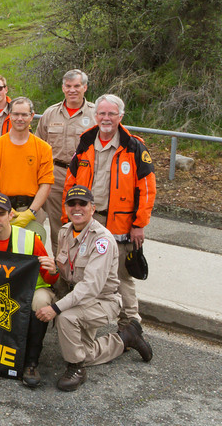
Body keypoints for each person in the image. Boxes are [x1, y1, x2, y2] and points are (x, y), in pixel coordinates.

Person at [35, 186, 152, 392]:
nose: (77, 208)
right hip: (79, 299)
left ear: (92, 208)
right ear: (66, 207)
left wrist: (56, 308)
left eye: (83, 204)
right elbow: (68, 271)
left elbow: (90, 287)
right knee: (85, 352)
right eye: (72, 204)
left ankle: (76, 368)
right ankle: (126, 338)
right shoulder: (65, 232)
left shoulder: (102, 241)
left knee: (66, 317)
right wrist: (55, 268)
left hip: (102, 301)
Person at [63, 94, 156, 329]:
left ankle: (130, 325)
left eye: (111, 114)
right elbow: (70, 182)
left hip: (121, 224)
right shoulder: (85, 142)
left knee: (122, 276)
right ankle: (84, 318)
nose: (106, 118)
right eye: (102, 113)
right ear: (96, 116)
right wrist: (68, 216)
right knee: (85, 271)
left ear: (120, 116)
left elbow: (147, 190)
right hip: (86, 220)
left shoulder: (134, 146)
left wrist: (139, 224)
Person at [0, 193, 58, 387]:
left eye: (1, 214)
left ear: (10, 215)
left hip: (30, 291)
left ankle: (31, 362)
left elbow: (50, 277)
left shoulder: (30, 239)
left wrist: (53, 270)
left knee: (41, 302)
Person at [35, 69, 96, 252]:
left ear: (85, 87)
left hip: (85, 175)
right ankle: (59, 266)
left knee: (85, 221)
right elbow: (39, 146)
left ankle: (82, 266)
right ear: (63, 88)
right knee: (57, 225)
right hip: (57, 175)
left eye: (77, 86)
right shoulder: (51, 113)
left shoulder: (95, 114)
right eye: (68, 86)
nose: (72, 90)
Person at [0, 97, 53, 238]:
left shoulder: (43, 148)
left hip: (32, 210)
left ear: (32, 116)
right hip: (1, 211)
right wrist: (6, 210)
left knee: (31, 256)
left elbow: (46, 184)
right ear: (9, 115)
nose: (19, 118)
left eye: (24, 114)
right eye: (15, 114)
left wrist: (30, 213)